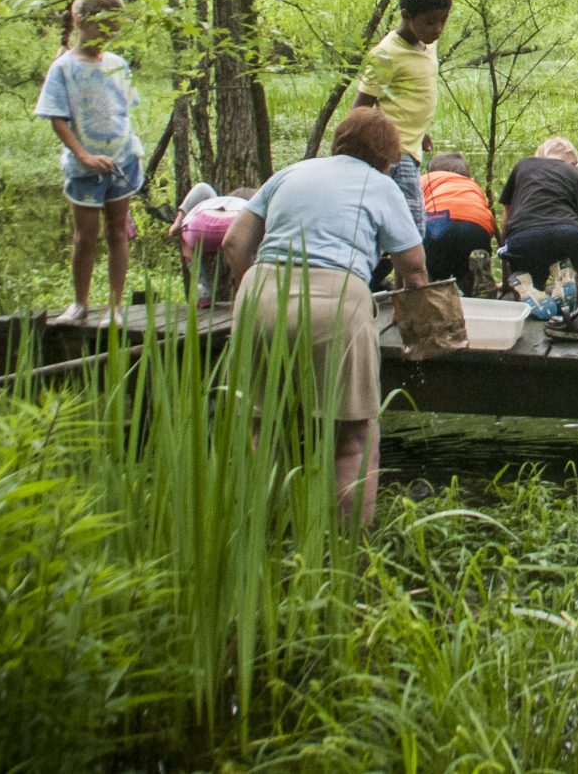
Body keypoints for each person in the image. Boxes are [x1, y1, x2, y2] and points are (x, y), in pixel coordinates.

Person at [220, 106, 428, 527]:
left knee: (263, 424)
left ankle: (261, 535)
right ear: (388, 157)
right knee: (353, 438)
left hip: (261, 294)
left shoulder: (291, 173)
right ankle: (349, 551)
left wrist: (253, 291)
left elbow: (233, 242)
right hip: (336, 302)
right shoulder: (380, 184)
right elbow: (415, 267)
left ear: (339, 141)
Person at [34, 0, 144, 327]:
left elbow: (123, 111)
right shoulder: (64, 68)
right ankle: (80, 304)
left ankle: (114, 307)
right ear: (82, 22)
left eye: (114, 29)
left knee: (117, 233)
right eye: (103, 26)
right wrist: (83, 155)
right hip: (84, 167)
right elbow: (57, 117)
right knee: (85, 235)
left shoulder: (117, 65)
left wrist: (126, 152)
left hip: (122, 161)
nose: (108, 35)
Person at [354, 0, 453, 216]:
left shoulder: (427, 42)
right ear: (406, 16)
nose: (438, 29)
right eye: (430, 22)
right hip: (394, 155)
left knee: (400, 231)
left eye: (443, 20)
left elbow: (407, 96)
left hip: (411, 147)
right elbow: (360, 111)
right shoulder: (385, 55)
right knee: (412, 233)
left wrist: (420, 131)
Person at [499, 136, 578, 336]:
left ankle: (528, 287)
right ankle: (569, 280)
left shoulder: (523, 167)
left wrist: (507, 247)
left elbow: (508, 212)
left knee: (531, 279)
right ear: (574, 162)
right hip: (567, 232)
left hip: (523, 235)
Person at [419, 152, 498, 295]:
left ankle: (431, 290)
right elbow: (488, 217)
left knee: (429, 265)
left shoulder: (426, 179)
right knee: (465, 268)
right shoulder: (473, 186)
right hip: (477, 227)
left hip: (438, 224)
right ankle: (473, 280)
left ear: (432, 171)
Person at [168, 181, 255, 306]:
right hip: (234, 224)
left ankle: (203, 291)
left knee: (185, 237)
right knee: (252, 247)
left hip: (198, 224)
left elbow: (201, 188)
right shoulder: (247, 205)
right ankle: (248, 292)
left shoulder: (214, 201)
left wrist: (179, 222)